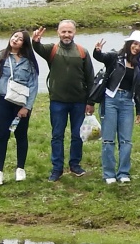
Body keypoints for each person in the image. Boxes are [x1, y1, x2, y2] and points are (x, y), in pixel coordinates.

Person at [30, 20, 95, 181]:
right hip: (57, 101)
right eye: (63, 32)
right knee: (57, 135)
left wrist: (91, 102)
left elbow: (90, 78)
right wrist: (35, 41)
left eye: (69, 32)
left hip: (79, 101)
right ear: (58, 33)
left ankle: (75, 165)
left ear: (75, 33)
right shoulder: (51, 49)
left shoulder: (82, 52)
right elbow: (37, 48)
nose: (66, 35)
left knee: (77, 135)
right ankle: (57, 169)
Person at [0, 29, 40, 185]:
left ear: (24, 43)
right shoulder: (2, 56)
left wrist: (26, 107)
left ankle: (20, 169)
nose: (15, 40)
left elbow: (34, 85)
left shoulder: (29, 61)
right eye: (14, 36)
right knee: (2, 136)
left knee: (21, 136)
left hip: (21, 104)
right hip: (2, 101)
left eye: (20, 39)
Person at [90, 31, 140, 185]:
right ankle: (108, 173)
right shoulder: (115, 57)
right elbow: (101, 57)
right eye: (135, 44)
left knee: (126, 140)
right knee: (108, 139)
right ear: (128, 43)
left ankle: (123, 172)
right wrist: (97, 50)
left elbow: (138, 87)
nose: (137, 47)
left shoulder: (137, 64)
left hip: (128, 102)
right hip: (111, 100)